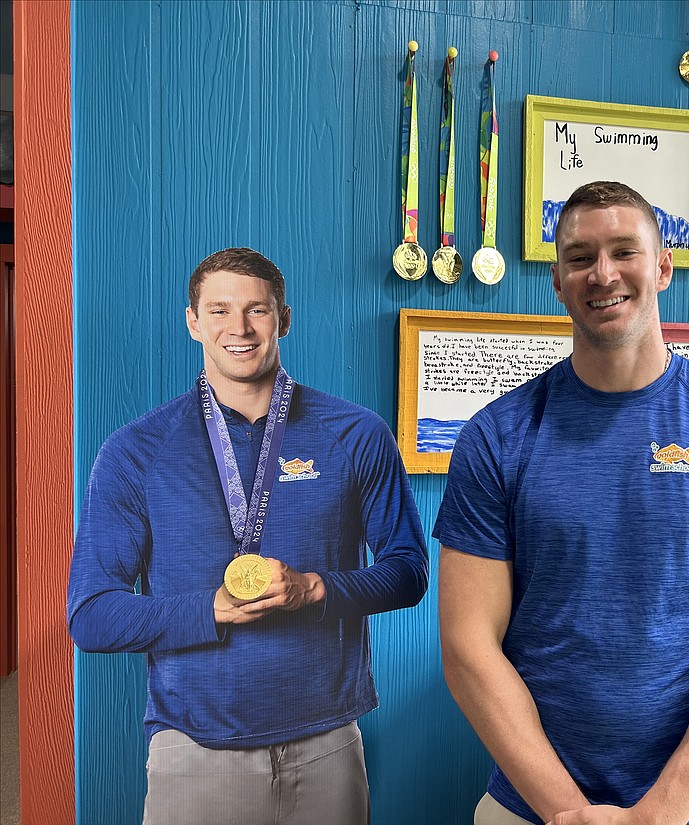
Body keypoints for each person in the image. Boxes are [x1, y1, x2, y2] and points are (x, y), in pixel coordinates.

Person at [436, 182, 689, 825]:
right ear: (557, 280)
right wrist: (568, 814)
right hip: (533, 811)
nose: (602, 274)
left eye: (623, 251)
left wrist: (657, 815)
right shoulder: (497, 437)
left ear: (662, 266)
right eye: (580, 257)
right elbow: (469, 648)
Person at [67, 247, 429, 825]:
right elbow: (90, 616)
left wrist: (317, 589)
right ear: (192, 322)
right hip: (194, 748)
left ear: (283, 318)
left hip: (328, 741)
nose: (238, 328)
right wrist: (209, 610)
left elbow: (409, 571)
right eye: (218, 311)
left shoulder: (357, 433)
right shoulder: (135, 451)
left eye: (256, 310)